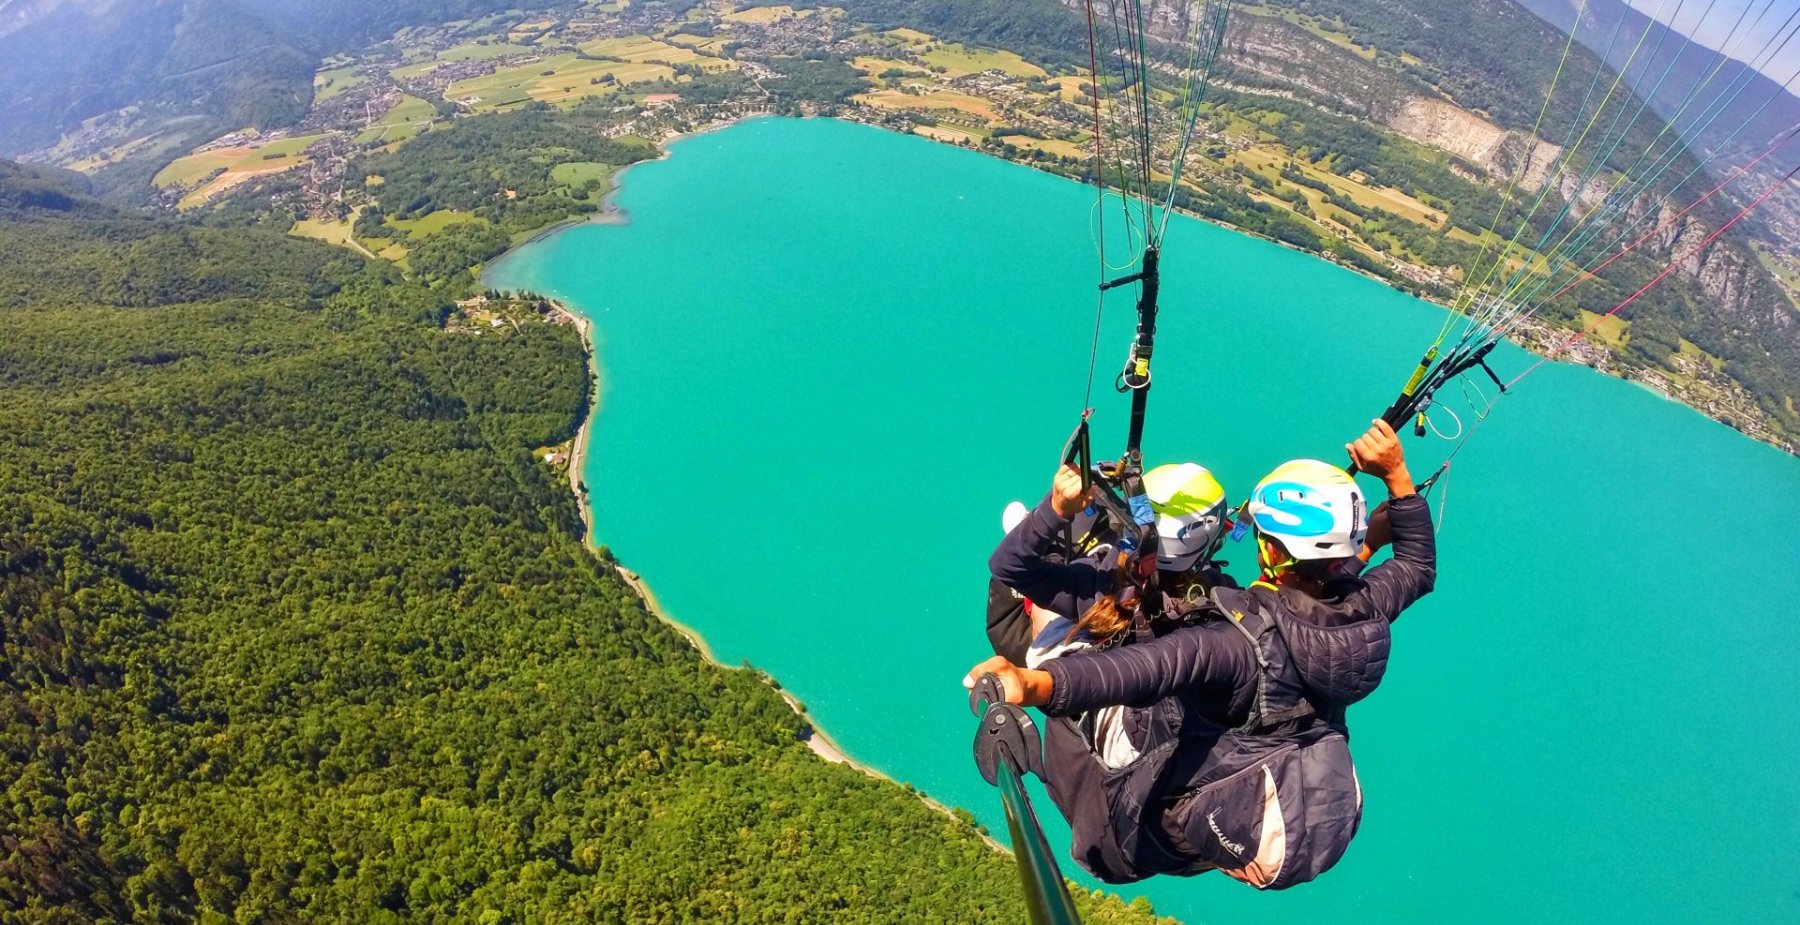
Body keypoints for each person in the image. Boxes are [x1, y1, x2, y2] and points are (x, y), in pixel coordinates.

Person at [965, 420, 1435, 890]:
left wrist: (1032, 683)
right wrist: (1390, 494)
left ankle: (1045, 608)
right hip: (1220, 821)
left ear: (1271, 551)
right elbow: (1415, 567)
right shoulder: (1365, 611)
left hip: (1134, 822)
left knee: (1061, 636)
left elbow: (1137, 671)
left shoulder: (1233, 643)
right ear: (1342, 558)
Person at [987, 461, 1236, 770]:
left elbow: (1007, 565)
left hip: (1097, 721)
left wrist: (1056, 509)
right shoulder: (1220, 606)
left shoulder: (1103, 584)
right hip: (1154, 747)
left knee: (1048, 617)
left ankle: (1039, 545)